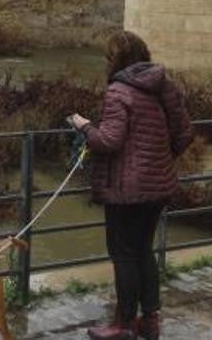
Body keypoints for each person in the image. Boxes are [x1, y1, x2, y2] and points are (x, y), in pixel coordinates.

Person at [67, 30, 193, 340]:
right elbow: (184, 134)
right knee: (143, 251)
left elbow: (108, 141)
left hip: (126, 190)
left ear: (118, 60)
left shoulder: (119, 91)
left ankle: (122, 325)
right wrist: (159, 161)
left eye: (109, 58)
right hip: (158, 186)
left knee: (123, 253)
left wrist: (84, 126)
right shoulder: (165, 85)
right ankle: (150, 321)